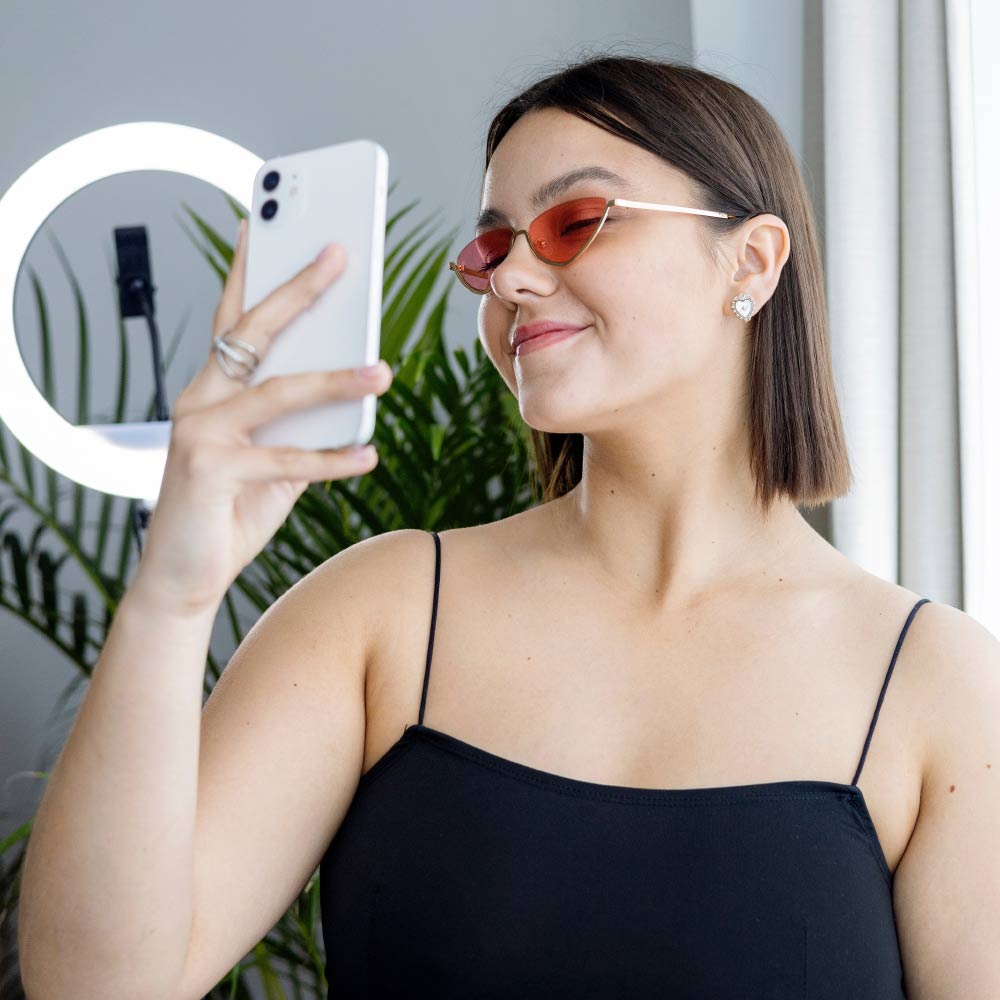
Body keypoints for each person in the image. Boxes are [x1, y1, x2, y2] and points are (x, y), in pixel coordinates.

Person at [18, 53, 999, 1000]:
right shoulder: (379, 614)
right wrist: (171, 596)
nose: (512, 279)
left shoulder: (938, 682)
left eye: (575, 222)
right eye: (491, 249)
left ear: (750, 260)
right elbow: (96, 985)